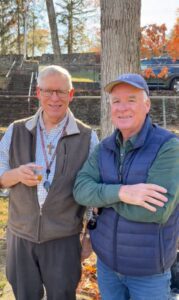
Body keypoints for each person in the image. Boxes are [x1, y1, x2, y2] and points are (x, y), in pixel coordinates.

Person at [73, 73, 179, 300]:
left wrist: (102, 198)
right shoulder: (104, 148)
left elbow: (156, 211)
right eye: (116, 101)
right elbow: (81, 189)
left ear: (147, 104)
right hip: (107, 266)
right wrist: (123, 192)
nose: (122, 108)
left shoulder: (168, 147)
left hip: (148, 271)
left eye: (131, 100)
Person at [0, 65, 98, 300]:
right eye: (48, 91)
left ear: (71, 95)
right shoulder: (16, 130)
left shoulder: (87, 137)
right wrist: (17, 175)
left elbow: (96, 192)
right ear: (38, 93)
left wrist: (89, 237)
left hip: (63, 240)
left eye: (61, 92)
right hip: (20, 237)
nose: (55, 98)